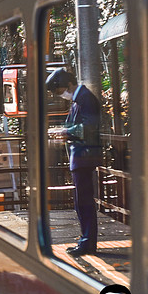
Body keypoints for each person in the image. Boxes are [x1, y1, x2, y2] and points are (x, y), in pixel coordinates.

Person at [46, 68, 101, 256]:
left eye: (60, 91)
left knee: (84, 201)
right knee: (81, 201)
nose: (61, 95)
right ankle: (85, 240)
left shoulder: (85, 98)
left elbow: (89, 127)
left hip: (84, 157)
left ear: (69, 84)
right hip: (80, 157)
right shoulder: (80, 99)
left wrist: (65, 132)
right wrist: (64, 131)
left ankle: (87, 242)